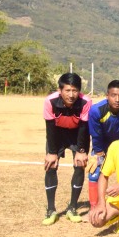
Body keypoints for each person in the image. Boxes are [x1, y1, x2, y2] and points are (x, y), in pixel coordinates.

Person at [42, 72, 92, 225]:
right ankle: (51, 210)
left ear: (79, 91)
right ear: (60, 90)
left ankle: (72, 208)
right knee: (50, 166)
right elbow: (50, 127)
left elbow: (84, 127)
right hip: (57, 134)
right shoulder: (50, 101)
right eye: (67, 90)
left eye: (75, 90)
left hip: (77, 135)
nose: (71, 95)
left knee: (79, 166)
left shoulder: (85, 102)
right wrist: (52, 153)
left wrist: (81, 151)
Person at [87, 79, 119, 208]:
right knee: (94, 173)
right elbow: (96, 135)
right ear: (107, 96)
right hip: (103, 144)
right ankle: (95, 206)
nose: (117, 99)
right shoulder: (96, 111)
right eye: (113, 95)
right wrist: (99, 153)